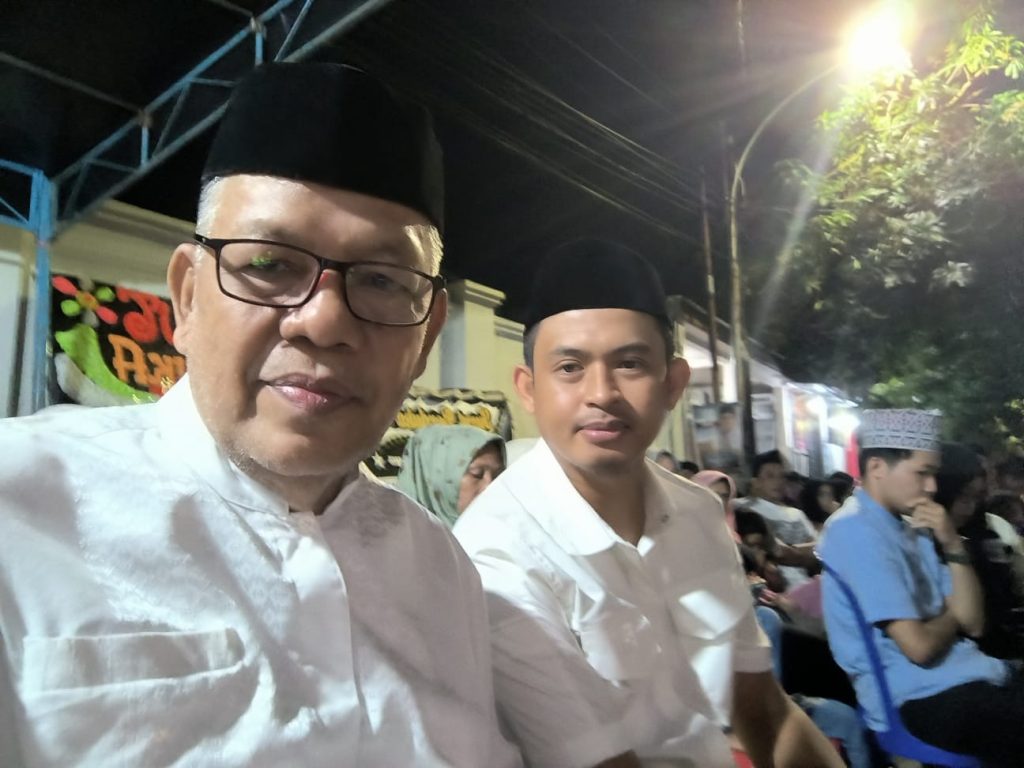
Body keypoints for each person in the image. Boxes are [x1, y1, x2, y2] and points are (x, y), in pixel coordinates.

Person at [0, 63, 521, 767]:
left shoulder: (440, 568)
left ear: (426, 338)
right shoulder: (21, 510)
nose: (324, 322)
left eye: (382, 280)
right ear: (188, 297)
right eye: (270, 265)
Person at [454, 241, 843, 768]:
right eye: (569, 367)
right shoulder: (495, 550)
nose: (602, 393)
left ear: (673, 383)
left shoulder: (697, 513)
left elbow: (763, 709)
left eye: (631, 363)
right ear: (529, 389)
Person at [819, 409, 1024, 766]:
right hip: (919, 698)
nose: (931, 487)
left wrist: (952, 543)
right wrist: (952, 612)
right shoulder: (856, 532)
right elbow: (920, 647)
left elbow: (974, 623)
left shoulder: (911, 529)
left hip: (970, 677)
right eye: (922, 473)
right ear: (877, 467)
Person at [936, 443, 1024, 659]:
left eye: (977, 497)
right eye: (963, 497)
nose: (970, 508)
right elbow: (972, 625)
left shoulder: (987, 531)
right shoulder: (916, 542)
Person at [396, 424, 505, 527]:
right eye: (477, 474)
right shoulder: (397, 537)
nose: (490, 486)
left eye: (497, 475)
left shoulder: (501, 534)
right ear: (436, 478)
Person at [737, 450, 820, 587]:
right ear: (755, 481)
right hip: (765, 584)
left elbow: (817, 548)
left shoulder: (796, 514)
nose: (778, 482)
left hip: (802, 583)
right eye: (770, 476)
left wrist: (789, 551)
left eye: (782, 476)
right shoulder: (741, 507)